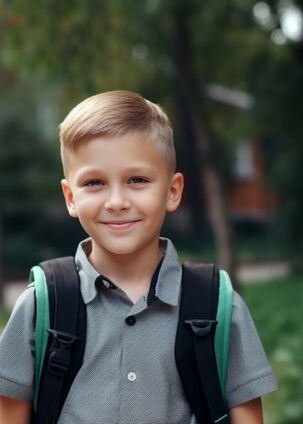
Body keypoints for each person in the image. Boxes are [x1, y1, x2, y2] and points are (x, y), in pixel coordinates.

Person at [0, 90, 277, 423]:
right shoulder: (42, 305)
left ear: (172, 191)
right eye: (94, 182)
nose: (116, 201)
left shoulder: (218, 305)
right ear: (70, 197)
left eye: (137, 180)